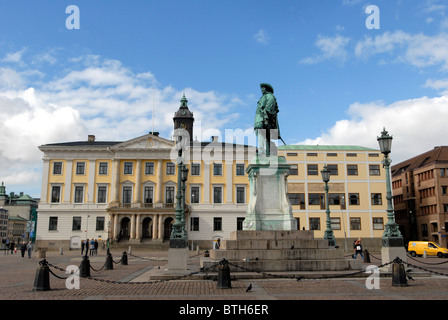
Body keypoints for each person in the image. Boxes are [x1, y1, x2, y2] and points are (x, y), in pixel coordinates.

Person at [254, 83, 285, 157]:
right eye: (261, 89)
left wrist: (265, 117)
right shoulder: (263, 97)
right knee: (262, 134)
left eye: (263, 88)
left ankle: (263, 151)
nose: (262, 90)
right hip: (259, 118)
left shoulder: (269, 96)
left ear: (267, 89)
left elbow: (270, 107)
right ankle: (265, 151)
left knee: (261, 132)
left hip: (263, 118)